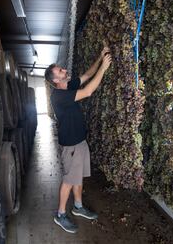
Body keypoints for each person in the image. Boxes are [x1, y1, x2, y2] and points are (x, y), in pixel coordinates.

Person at [44, 47, 112, 233]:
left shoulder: (69, 86)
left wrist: (99, 58)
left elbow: (87, 76)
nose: (64, 70)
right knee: (68, 180)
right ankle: (60, 214)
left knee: (78, 176)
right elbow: (89, 91)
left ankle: (79, 207)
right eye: (60, 71)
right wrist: (104, 69)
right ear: (55, 80)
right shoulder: (59, 96)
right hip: (71, 145)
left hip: (80, 142)